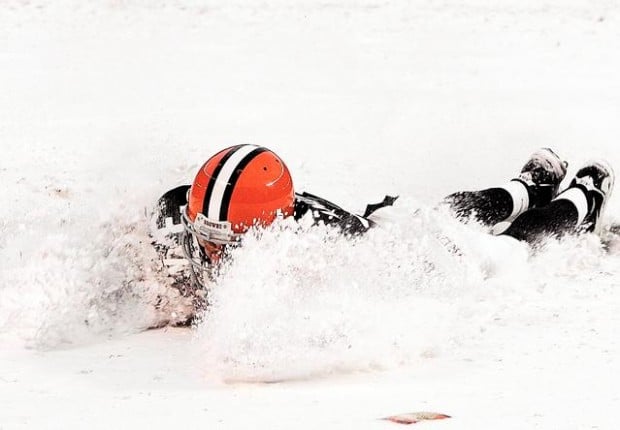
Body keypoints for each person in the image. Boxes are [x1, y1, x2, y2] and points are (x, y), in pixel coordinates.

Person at [150, 145, 615, 325]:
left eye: (229, 241)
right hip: (385, 228)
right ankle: (526, 186)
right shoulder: (177, 210)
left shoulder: (325, 250)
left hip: (419, 259)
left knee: (503, 251)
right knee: (445, 210)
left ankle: (581, 200)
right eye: (204, 233)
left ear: (273, 231)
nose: (209, 250)